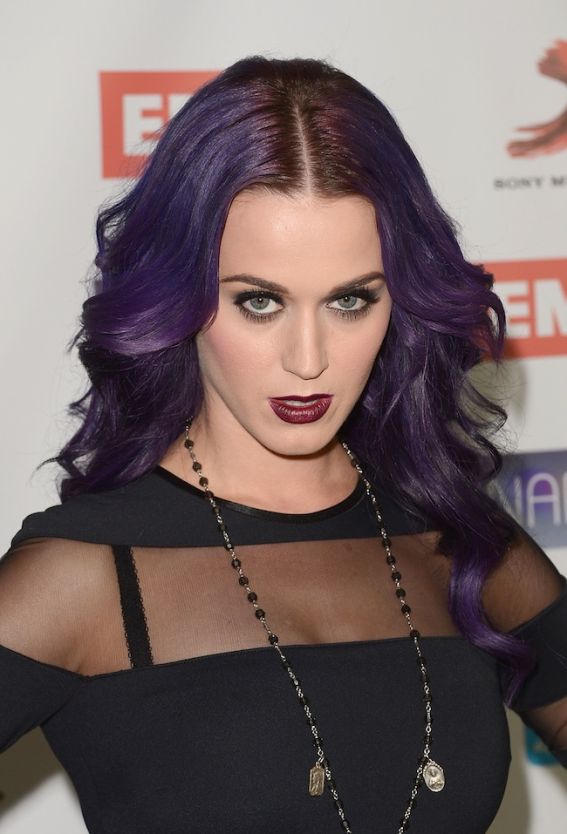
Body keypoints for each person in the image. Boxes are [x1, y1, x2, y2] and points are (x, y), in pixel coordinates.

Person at [1, 55, 565, 834]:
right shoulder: (87, 576)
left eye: (350, 300)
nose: (308, 359)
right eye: (259, 302)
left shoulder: (459, 546)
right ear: (182, 296)